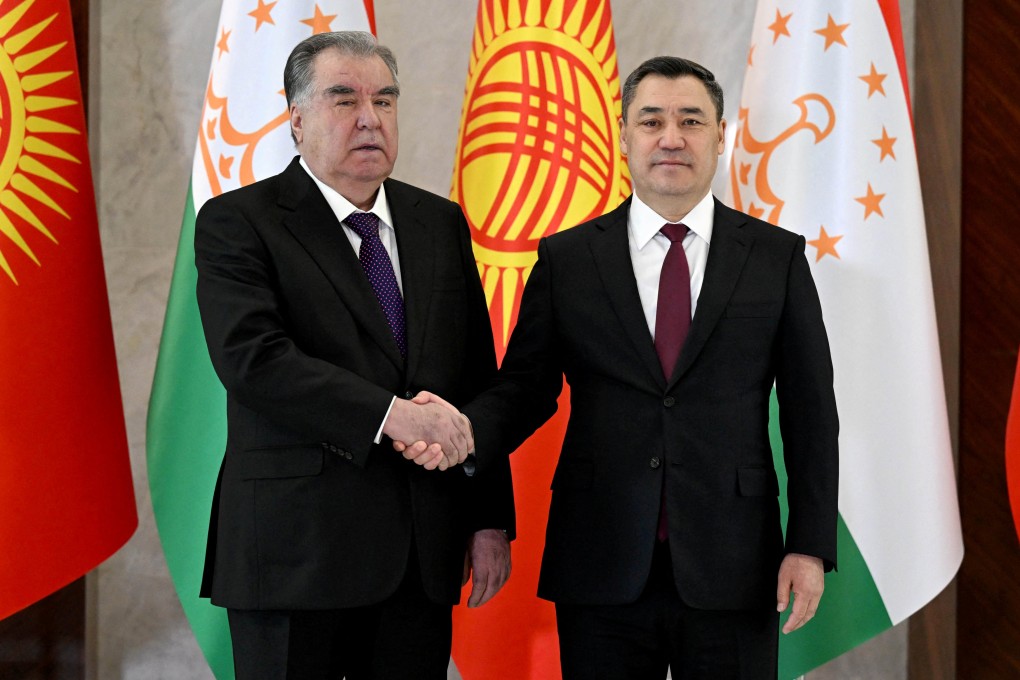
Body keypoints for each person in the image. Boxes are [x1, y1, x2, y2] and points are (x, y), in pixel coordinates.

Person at [403, 56, 838, 679]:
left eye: (691, 120)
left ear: (721, 135)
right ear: (622, 135)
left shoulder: (777, 258)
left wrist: (809, 545)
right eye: (651, 120)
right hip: (600, 558)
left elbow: (810, 413)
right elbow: (527, 388)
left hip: (734, 563)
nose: (671, 137)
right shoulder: (568, 258)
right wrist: (458, 432)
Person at [194, 31, 514, 680]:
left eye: (385, 101)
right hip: (294, 555)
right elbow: (254, 360)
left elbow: (475, 376)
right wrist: (392, 416)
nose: (370, 118)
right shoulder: (239, 221)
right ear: (297, 120)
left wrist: (488, 519)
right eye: (345, 99)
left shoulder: (439, 224)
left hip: (420, 557)